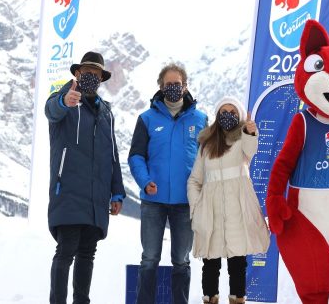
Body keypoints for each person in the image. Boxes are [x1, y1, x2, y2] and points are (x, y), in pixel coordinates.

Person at [45, 51, 126, 304]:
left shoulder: (106, 113)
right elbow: (51, 111)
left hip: (96, 195)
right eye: (87, 73)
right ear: (77, 74)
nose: (91, 77)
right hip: (68, 190)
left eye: (96, 74)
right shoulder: (64, 99)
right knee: (65, 251)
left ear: (101, 79)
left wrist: (117, 191)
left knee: (87, 254)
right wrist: (63, 102)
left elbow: (113, 154)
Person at [128, 63, 208, 304]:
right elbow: (136, 156)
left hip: (186, 202)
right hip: (153, 201)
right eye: (168, 85)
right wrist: (145, 181)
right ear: (160, 87)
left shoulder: (201, 119)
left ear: (185, 86)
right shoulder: (147, 118)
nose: (173, 88)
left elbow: (208, 159)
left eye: (177, 84)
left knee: (181, 260)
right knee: (149, 258)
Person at [187, 96, 270, 304]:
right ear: (217, 116)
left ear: (240, 116)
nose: (227, 116)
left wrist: (251, 132)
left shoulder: (243, 140)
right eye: (223, 112)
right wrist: (196, 208)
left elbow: (251, 150)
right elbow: (194, 180)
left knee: (237, 264)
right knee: (211, 265)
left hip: (237, 212)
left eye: (233, 112)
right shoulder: (206, 145)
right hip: (211, 212)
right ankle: (209, 299)